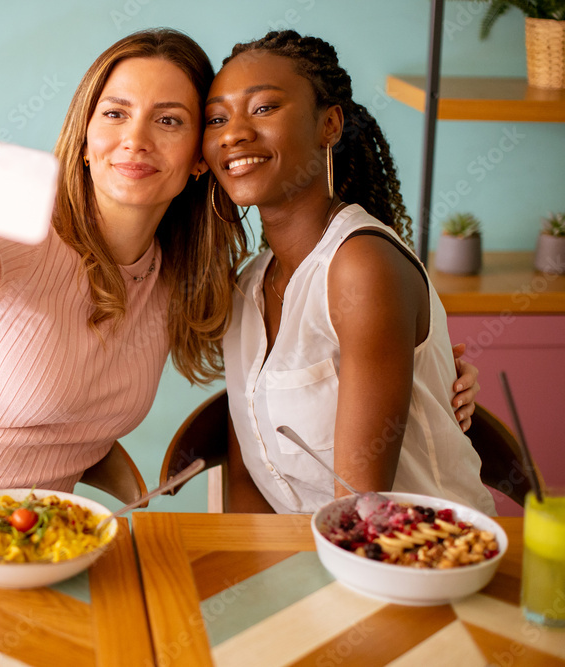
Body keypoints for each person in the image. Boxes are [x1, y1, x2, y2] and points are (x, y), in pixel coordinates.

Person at [0, 29, 480, 520]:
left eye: (171, 119)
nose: (136, 139)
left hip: (35, 529)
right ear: (85, 137)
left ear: (197, 158)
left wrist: (431, 369)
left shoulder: (190, 278)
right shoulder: (20, 227)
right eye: (115, 113)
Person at [203, 30, 495, 514]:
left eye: (264, 108)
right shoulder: (248, 285)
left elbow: (361, 511)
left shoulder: (361, 266)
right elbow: (249, 480)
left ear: (329, 125)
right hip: (305, 561)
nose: (233, 132)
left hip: (414, 561)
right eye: (217, 118)